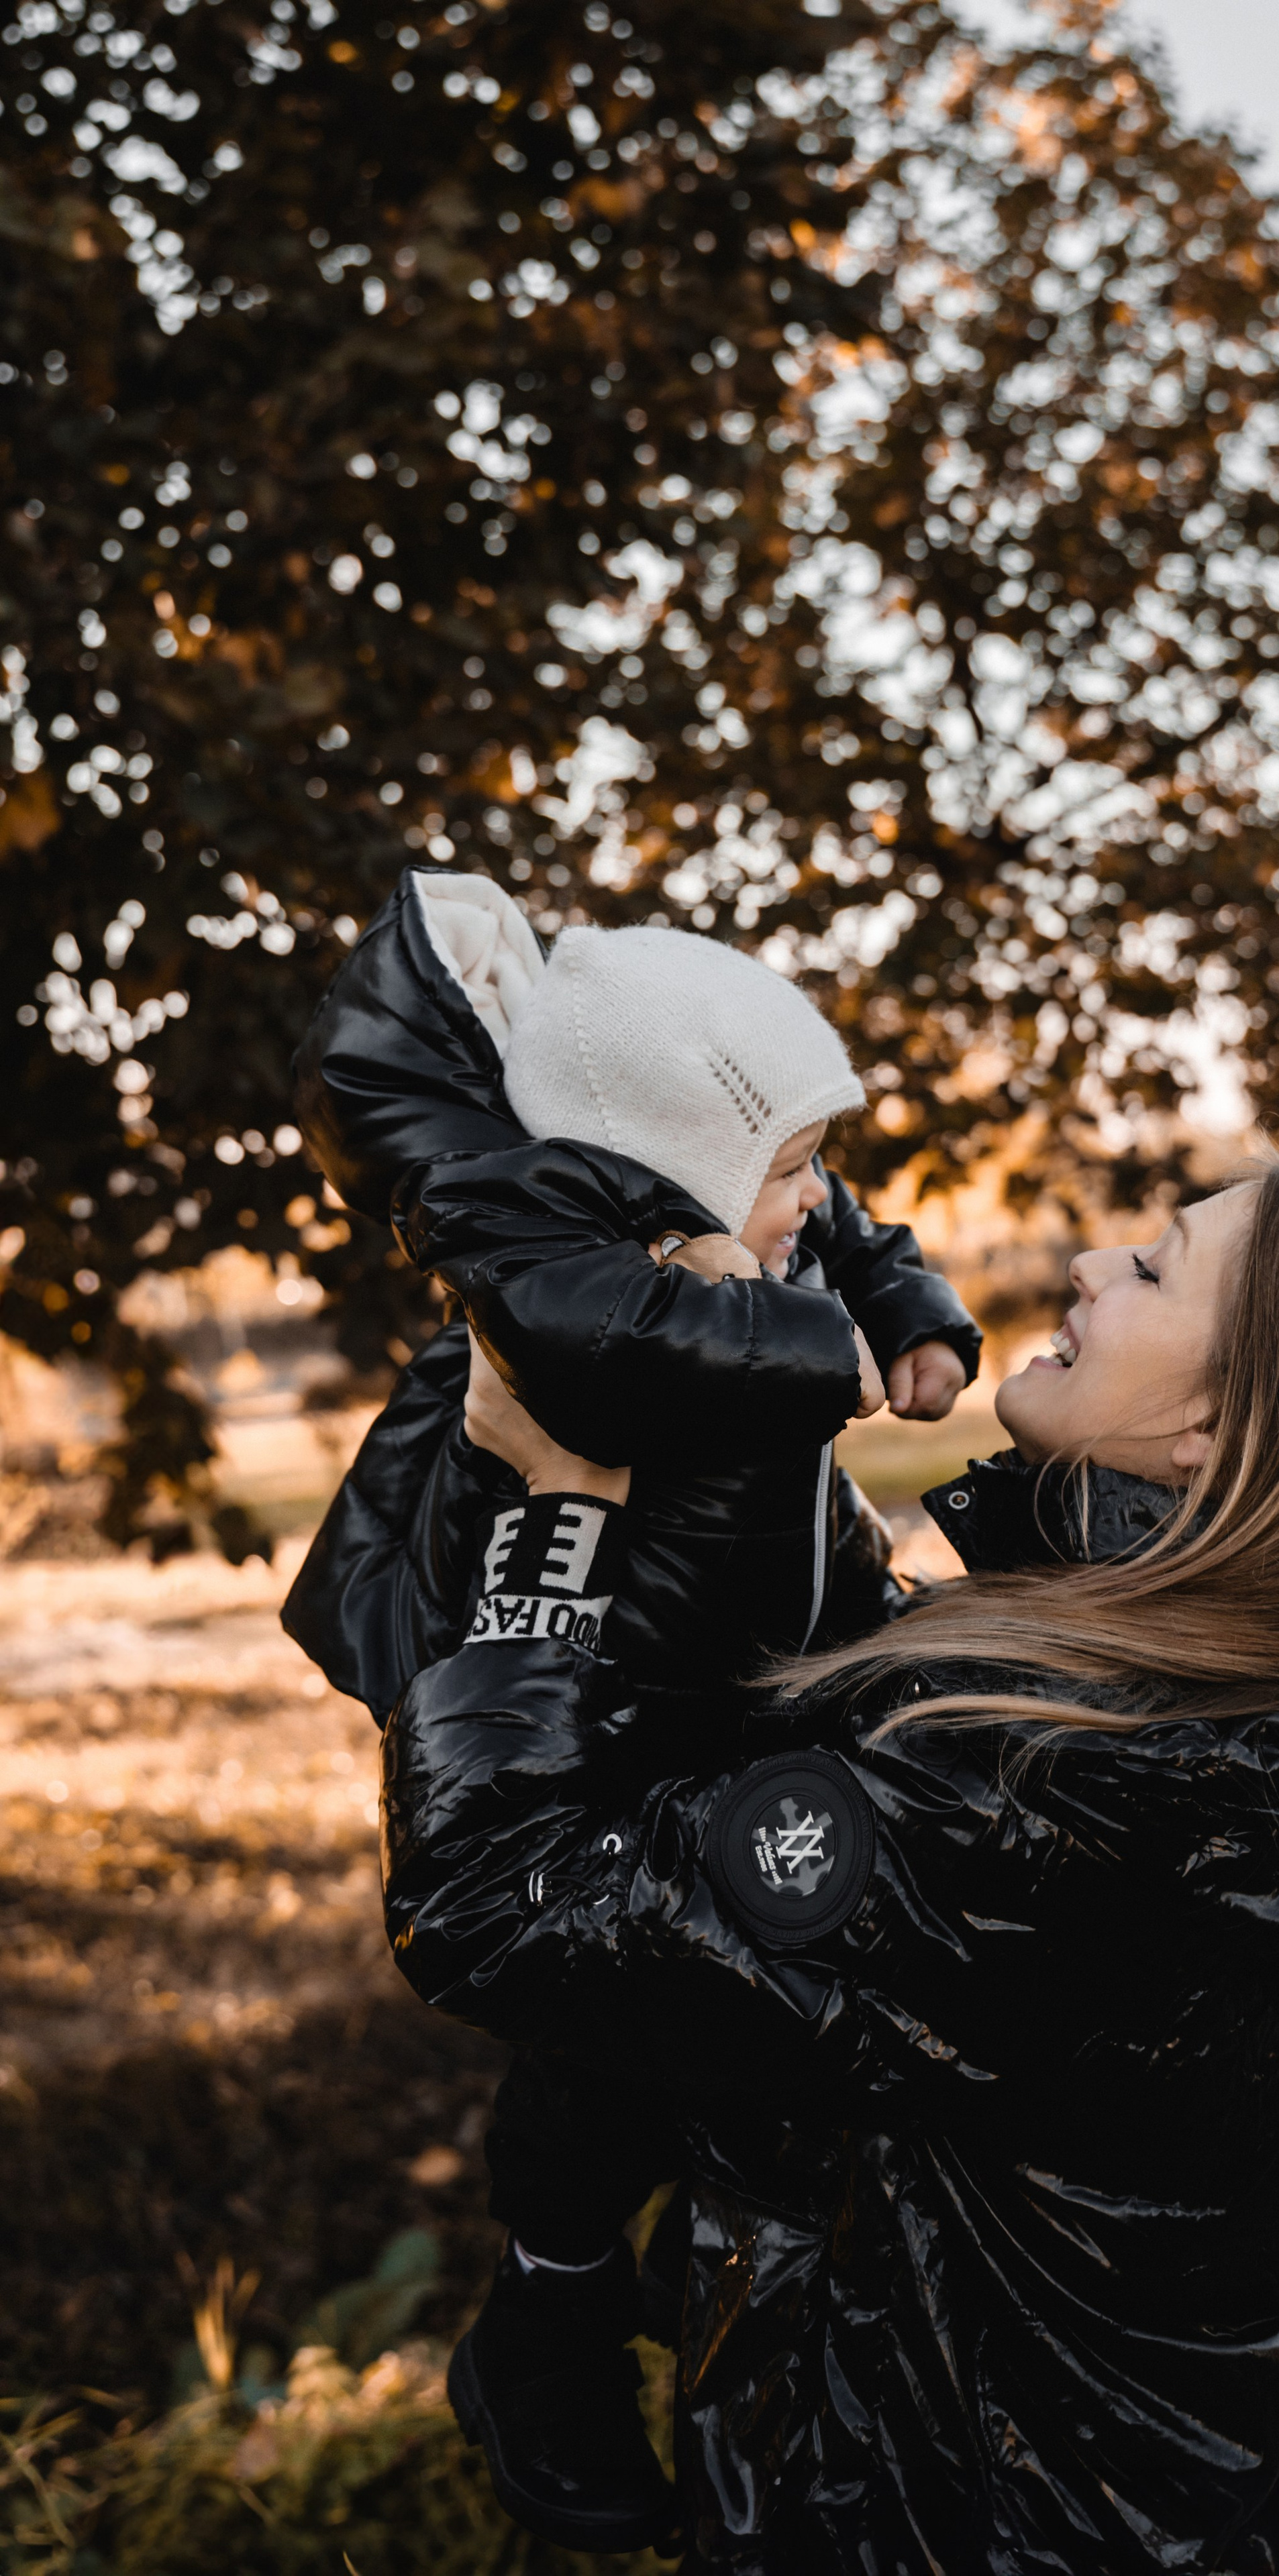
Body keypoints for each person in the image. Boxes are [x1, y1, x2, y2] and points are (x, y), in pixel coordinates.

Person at [380, 1159, 1279, 2573]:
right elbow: (864, 1695)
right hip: (1213, 2508)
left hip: (946, 2527)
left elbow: (502, 1911)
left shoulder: (1044, 1786)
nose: (1092, 1265)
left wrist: (547, 1522)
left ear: (1212, 1428)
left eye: (1155, 1269)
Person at [281, 867, 980, 2553]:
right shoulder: (532, 1236)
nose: (816, 1204)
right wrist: (816, 1348)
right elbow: (607, 1331)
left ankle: (704, 2272)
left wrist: (909, 1311)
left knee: (742, 2010)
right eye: (788, 1171)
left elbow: (847, 1229)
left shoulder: (742, 1214)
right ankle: (551, 2320)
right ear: (665, 1165)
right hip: (609, 1714)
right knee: (596, 2047)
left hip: (753, 1680)